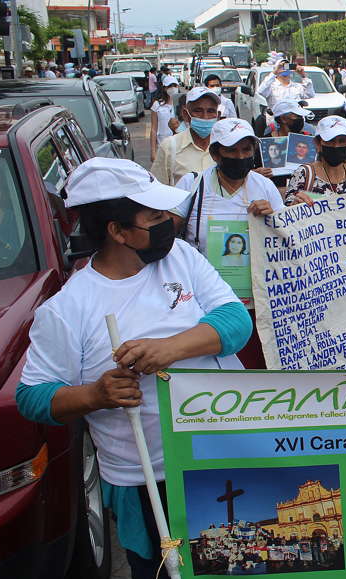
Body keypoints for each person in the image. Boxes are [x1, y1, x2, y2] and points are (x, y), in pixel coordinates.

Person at [16, 158, 252, 579]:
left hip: (224, 452)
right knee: (165, 570)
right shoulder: (69, 308)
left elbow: (236, 323)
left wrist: (171, 348)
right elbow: (32, 396)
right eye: (155, 217)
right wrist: (95, 395)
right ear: (118, 231)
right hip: (149, 479)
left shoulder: (181, 258)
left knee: (244, 562)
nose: (169, 224)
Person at [171, 119, 283, 369]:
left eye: (246, 150)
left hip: (255, 303)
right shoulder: (193, 185)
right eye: (231, 150)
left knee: (254, 370)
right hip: (204, 302)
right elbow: (166, 235)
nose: (240, 156)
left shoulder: (264, 186)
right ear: (215, 153)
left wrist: (275, 217)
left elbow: (285, 242)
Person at [151, 87, 223, 186]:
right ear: (186, 114)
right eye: (198, 111)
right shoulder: (169, 147)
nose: (205, 117)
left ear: (218, 116)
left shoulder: (226, 146)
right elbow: (156, 190)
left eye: (211, 111)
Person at [149, 76, 180, 162]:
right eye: (170, 86)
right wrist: (153, 151)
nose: (173, 88)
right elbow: (154, 129)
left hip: (179, 147)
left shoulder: (182, 105)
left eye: (175, 86)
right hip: (162, 146)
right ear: (164, 88)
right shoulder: (157, 105)